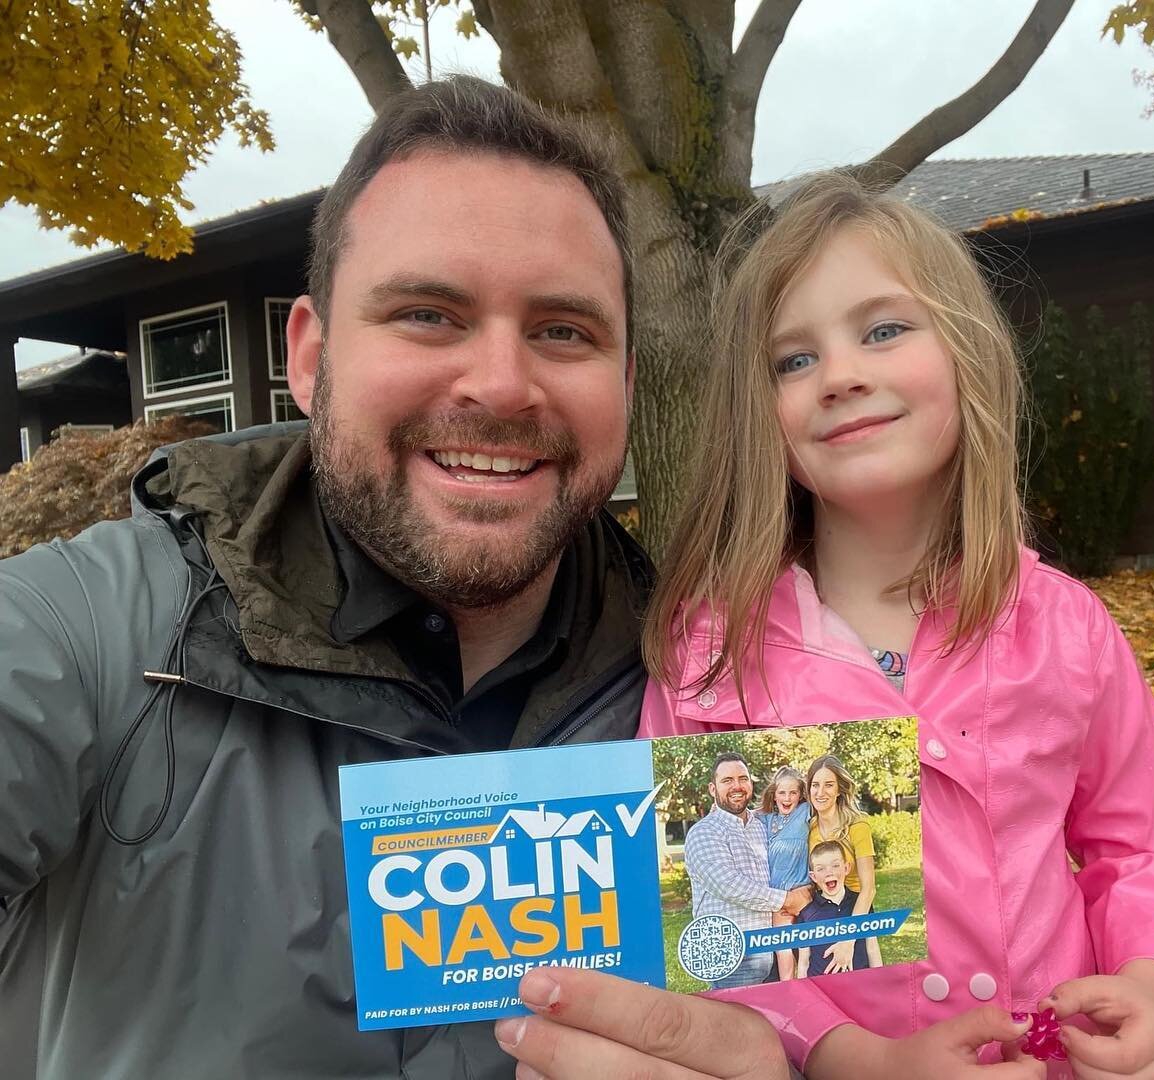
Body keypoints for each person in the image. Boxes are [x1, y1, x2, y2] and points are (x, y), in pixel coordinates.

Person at [0, 76, 791, 1080]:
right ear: (312, 355)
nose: (502, 384)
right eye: (427, 313)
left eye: (563, 330)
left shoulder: (720, 691)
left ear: (625, 384)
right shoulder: (93, 634)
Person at [638, 172, 1154, 1079]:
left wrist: (1153, 984)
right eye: (793, 360)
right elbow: (707, 921)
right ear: (759, 413)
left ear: (969, 352)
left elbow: (1148, 839)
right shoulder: (712, 661)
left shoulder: (1063, 628)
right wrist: (857, 1059)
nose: (840, 375)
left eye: (882, 329)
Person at [683, 753, 813, 988]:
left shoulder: (760, 825)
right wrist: (788, 899)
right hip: (733, 953)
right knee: (738, 1022)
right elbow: (731, 885)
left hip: (772, 947)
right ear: (713, 789)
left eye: (743, 779)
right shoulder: (704, 832)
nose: (737, 786)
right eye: (727, 780)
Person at [803, 755, 878, 975]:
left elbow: (869, 888)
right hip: (822, 913)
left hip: (856, 911)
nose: (820, 792)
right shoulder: (809, 828)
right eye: (815, 785)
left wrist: (848, 939)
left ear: (839, 790)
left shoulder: (858, 825)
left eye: (828, 785)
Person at [756, 765, 813, 979]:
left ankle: (803, 986)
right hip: (778, 896)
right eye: (782, 792)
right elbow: (740, 816)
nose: (787, 798)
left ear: (800, 795)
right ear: (774, 794)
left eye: (793, 792)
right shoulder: (766, 819)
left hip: (802, 890)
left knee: (806, 949)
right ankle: (787, 986)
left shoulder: (805, 811)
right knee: (783, 945)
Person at [794, 841, 881, 979]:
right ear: (813, 876)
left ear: (846, 868)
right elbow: (803, 963)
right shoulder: (807, 914)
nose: (829, 872)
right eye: (821, 869)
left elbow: (872, 948)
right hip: (822, 991)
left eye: (835, 865)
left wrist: (880, 982)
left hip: (860, 985)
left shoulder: (861, 904)